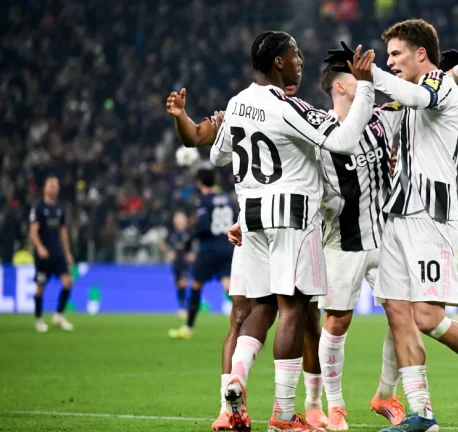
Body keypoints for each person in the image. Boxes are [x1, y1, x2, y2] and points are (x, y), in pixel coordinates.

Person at [338, 19, 458, 431]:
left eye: (396, 54)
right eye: (386, 56)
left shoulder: (437, 87)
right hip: (397, 214)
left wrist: (372, 74)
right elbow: (393, 105)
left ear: (421, 54)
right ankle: (422, 414)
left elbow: (421, 92)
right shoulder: (418, 91)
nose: (390, 61)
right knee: (397, 313)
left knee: (428, 318)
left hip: (430, 216)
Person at [209, 31, 376, 432]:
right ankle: (284, 415)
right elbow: (344, 139)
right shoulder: (287, 107)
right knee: (294, 309)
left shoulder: (237, 103)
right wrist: (367, 87)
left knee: (261, 307)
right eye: (295, 54)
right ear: (278, 62)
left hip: (252, 217)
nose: (301, 60)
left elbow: (217, 155)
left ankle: (237, 380)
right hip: (292, 215)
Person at [168, 169, 237, 339]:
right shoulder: (228, 200)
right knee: (229, 287)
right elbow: (236, 219)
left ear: (199, 182)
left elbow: (204, 226)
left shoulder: (204, 201)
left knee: (196, 285)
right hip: (228, 247)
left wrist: (190, 240)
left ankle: (188, 328)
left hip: (209, 249)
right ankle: (249, 328)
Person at [29, 175, 75, 333]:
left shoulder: (60, 208)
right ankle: (39, 319)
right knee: (40, 288)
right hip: (43, 256)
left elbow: (63, 232)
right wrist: (40, 247)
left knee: (68, 282)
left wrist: (67, 252)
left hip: (58, 254)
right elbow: (33, 231)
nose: (53, 188)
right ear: (44, 188)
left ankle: (59, 315)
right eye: (51, 185)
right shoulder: (38, 208)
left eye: (56, 185)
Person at [160, 211, 192, 319]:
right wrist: (168, 252)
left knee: (183, 283)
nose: (179, 220)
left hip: (186, 263)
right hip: (176, 262)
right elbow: (163, 243)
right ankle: (182, 306)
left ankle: (185, 307)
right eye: (177, 218)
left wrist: (193, 254)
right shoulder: (172, 233)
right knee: (178, 284)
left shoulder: (189, 232)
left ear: (185, 220)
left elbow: (198, 243)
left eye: (181, 218)